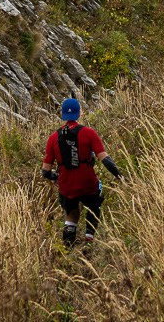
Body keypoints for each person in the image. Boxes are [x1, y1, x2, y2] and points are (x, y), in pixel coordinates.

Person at [41, 98, 122, 248]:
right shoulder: (89, 133)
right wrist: (119, 176)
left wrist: (56, 177)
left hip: (66, 185)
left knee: (71, 213)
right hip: (88, 183)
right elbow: (105, 160)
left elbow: (45, 172)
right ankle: (89, 241)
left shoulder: (53, 138)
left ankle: (68, 249)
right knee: (94, 205)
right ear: (79, 113)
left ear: (62, 115)